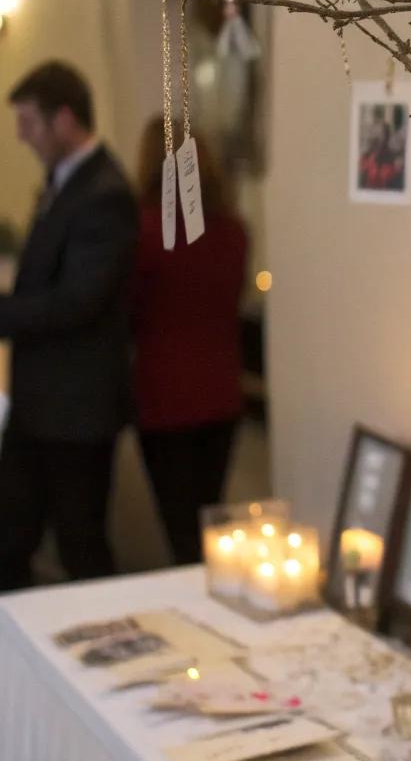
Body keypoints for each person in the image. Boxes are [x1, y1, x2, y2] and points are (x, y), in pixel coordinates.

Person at [0, 62, 138, 588]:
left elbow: (77, 302)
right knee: (11, 536)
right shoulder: (63, 184)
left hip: (76, 410)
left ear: (64, 119)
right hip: (40, 406)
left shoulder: (104, 192)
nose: (20, 135)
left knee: (81, 543)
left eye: (29, 122)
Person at [133, 116, 248, 564]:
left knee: (180, 529)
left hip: (164, 399)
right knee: (209, 522)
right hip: (222, 395)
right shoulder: (232, 233)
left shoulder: (145, 232)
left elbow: (131, 308)